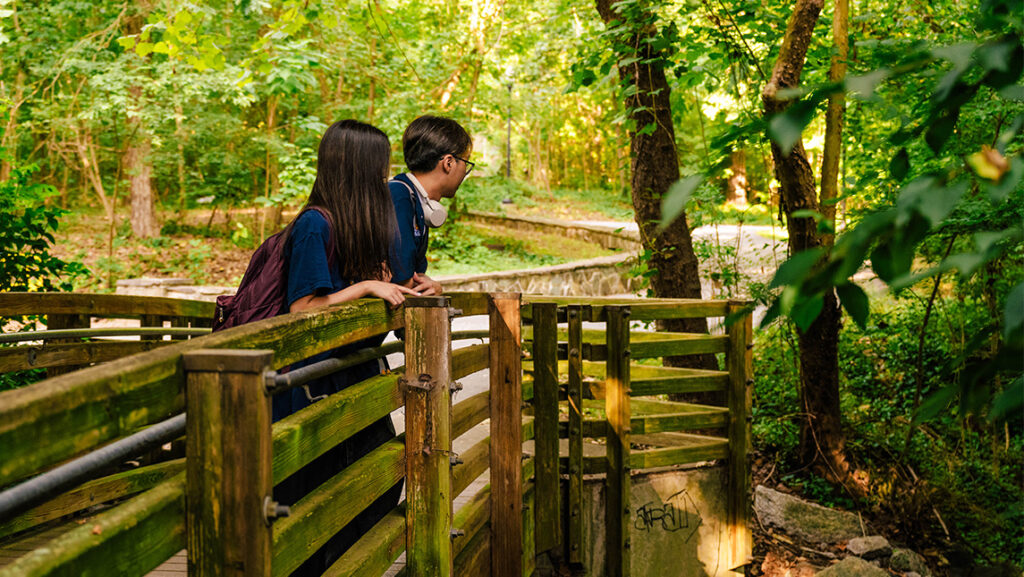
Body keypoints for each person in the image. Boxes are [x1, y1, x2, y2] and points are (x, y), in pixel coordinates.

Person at [273, 119, 416, 576]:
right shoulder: (314, 225)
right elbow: (303, 308)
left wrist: (400, 284)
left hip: (349, 377)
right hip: (312, 387)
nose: (384, 178)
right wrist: (366, 287)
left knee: (375, 483)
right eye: (378, 168)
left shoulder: (354, 225)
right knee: (315, 500)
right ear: (356, 169)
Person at [388, 115, 473, 295]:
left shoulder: (418, 201)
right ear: (448, 163)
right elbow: (401, 279)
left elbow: (416, 275)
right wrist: (436, 288)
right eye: (466, 163)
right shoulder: (400, 196)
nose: (465, 172)